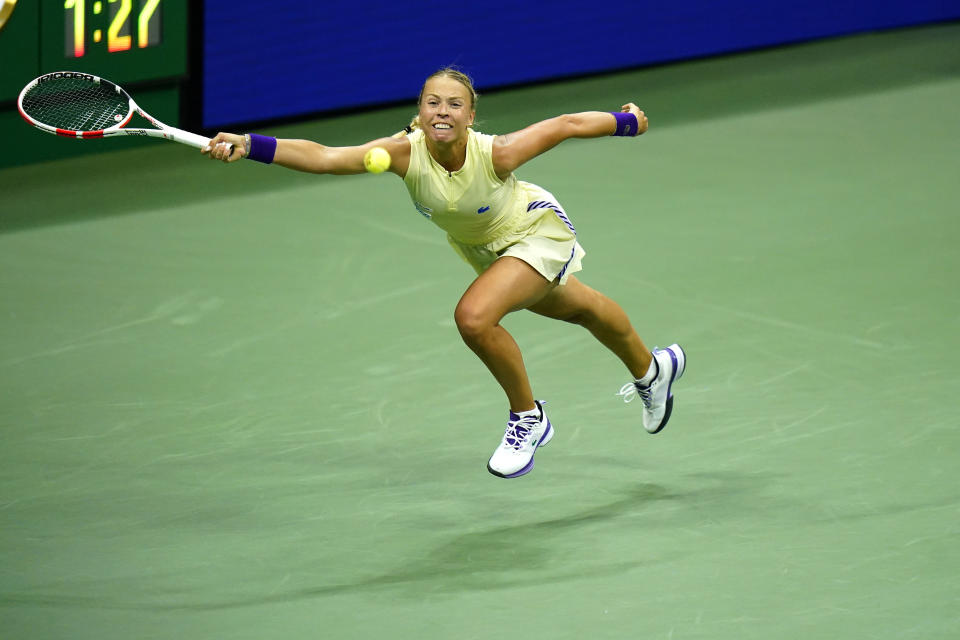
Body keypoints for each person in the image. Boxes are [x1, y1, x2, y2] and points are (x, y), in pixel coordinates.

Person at [203, 67, 686, 479]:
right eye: (432, 102)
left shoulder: (496, 153)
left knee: (474, 317)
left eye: (454, 104)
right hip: (485, 250)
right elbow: (325, 157)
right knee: (581, 309)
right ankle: (653, 368)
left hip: (534, 231)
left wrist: (627, 122)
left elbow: (564, 124)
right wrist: (250, 144)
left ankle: (529, 417)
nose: (442, 111)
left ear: (470, 115)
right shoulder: (402, 154)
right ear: (420, 109)